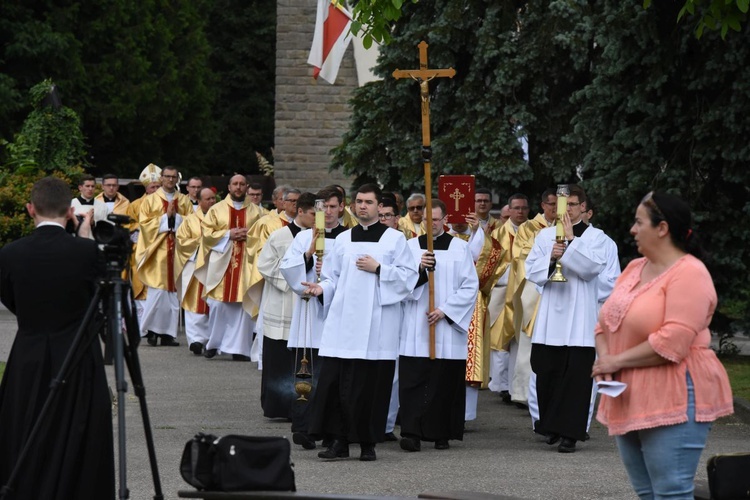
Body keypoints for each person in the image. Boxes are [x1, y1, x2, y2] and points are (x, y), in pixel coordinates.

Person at [591, 192, 733, 498]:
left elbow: (673, 342)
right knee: (647, 493)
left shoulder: (690, 273)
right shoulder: (634, 269)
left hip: (675, 392)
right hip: (627, 392)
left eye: (638, 222)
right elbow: (604, 323)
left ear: (662, 228)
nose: (632, 229)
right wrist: (605, 362)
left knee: (670, 492)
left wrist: (616, 362)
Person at [0, 177, 114, 499]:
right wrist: (86, 238)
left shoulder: (10, 254)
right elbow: (101, 303)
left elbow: (12, 300)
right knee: (81, 435)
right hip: (78, 357)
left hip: (29, 355)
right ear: (70, 211)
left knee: (25, 428)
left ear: (29, 209)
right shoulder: (88, 252)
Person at [303, 184, 419, 462]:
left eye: (368, 201)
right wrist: (323, 289)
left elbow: (408, 278)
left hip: (377, 326)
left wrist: (379, 268)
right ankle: (339, 442)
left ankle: (368, 443)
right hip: (344, 324)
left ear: (380, 207)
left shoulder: (394, 239)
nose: (363, 206)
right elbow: (332, 276)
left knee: (372, 389)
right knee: (338, 387)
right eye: (359, 201)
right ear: (353, 206)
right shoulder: (343, 239)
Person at [526, 184, 620, 453]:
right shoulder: (544, 237)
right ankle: (551, 427)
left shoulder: (600, 239)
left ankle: (571, 433)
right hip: (551, 316)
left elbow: (600, 275)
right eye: (562, 205)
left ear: (583, 208)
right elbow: (531, 271)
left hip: (580, 317)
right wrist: (550, 259)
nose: (565, 210)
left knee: (577, 378)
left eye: (572, 204)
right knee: (547, 373)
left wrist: (571, 245)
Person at [398, 199, 478, 452]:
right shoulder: (409, 247)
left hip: (445, 325)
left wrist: (445, 311)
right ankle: (411, 432)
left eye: (436, 219)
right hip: (416, 322)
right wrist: (420, 270)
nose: (431, 223)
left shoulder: (459, 247)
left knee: (444, 381)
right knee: (413, 380)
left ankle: (441, 432)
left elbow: (469, 285)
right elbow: (399, 284)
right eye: (426, 219)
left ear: (444, 220)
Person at [279, 188, 348, 449]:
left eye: (332, 207)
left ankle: (330, 430)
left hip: (336, 315)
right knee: (305, 376)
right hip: (309, 314)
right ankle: (304, 427)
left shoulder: (349, 238)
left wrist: (328, 279)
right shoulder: (305, 237)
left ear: (341, 207)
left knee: (331, 378)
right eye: (323, 208)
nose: (327, 213)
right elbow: (288, 269)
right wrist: (307, 255)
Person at [257, 192, 317, 415]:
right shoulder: (279, 236)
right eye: (313, 213)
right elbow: (264, 265)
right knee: (280, 357)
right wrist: (293, 280)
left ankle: (304, 404)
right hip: (283, 302)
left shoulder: (319, 237)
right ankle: (279, 406)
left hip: (309, 303)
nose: (317, 218)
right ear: (300, 211)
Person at [197, 174, 263, 360]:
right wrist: (228, 234)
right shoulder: (216, 209)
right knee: (218, 305)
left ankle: (239, 349)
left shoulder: (257, 212)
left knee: (243, 306)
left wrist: (249, 234)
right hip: (223, 264)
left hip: (246, 264)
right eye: (235, 184)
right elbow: (206, 233)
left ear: (246, 187)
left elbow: (262, 233)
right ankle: (213, 343)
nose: (239, 187)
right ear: (229, 186)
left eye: (242, 184)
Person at [135, 165, 194, 346]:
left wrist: (176, 218)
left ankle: (168, 334)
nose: (170, 180)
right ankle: (152, 332)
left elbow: (192, 223)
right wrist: (165, 218)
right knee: (158, 292)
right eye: (167, 176)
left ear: (178, 179)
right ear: (161, 178)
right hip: (157, 252)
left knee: (173, 293)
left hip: (177, 250)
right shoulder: (150, 200)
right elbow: (144, 225)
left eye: (173, 177)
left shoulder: (184, 201)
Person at [176, 187, 216, 355]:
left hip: (215, 266)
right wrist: (203, 243)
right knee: (194, 302)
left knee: (212, 302)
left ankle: (211, 340)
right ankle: (196, 340)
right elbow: (181, 241)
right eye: (208, 199)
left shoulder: (220, 219)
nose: (212, 202)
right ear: (199, 202)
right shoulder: (190, 220)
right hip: (194, 266)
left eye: (214, 198)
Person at [70, 173, 107, 238]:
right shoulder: (71, 204)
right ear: (80, 187)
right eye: (87, 186)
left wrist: (93, 223)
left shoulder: (103, 206)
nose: (90, 189)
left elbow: (106, 228)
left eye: (92, 186)